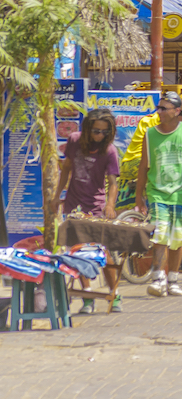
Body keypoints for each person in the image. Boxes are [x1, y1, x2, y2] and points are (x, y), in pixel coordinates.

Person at [135, 92, 182, 299]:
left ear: (176, 111)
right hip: (157, 193)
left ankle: (173, 279)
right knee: (160, 234)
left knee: (178, 238)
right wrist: (138, 195)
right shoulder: (150, 134)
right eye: (158, 108)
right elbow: (144, 166)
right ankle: (158, 278)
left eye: (163, 108)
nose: (158, 112)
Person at [50, 108, 122, 313]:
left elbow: (113, 182)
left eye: (104, 132)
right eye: (96, 131)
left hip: (96, 206)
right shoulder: (74, 141)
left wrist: (110, 205)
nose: (99, 136)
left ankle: (114, 293)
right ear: (88, 128)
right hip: (74, 204)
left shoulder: (109, 151)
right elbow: (66, 169)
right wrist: (57, 197)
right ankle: (87, 296)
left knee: (103, 252)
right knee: (78, 252)